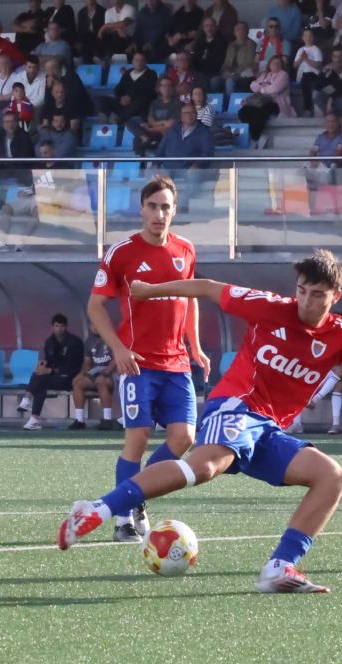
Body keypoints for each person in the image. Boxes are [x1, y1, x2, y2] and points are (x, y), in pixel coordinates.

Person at [58, 249, 342, 593]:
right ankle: (97, 510)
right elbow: (208, 287)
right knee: (205, 466)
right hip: (234, 406)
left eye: (317, 294)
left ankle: (280, 566)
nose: (306, 300)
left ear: (334, 296)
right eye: (301, 290)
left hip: (266, 430)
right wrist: (150, 290)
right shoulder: (269, 307)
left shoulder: (341, 336)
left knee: (331, 477)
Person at [87, 175, 209, 543]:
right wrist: (119, 350)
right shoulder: (120, 252)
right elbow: (95, 306)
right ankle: (124, 519)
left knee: (184, 437)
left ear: (174, 211)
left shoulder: (185, 249)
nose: (160, 213)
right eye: (153, 206)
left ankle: (136, 495)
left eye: (166, 207)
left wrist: (195, 344)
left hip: (177, 363)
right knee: (137, 438)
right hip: (137, 363)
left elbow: (190, 297)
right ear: (142, 209)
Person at [17, 314, 85, 429]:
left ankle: (27, 401)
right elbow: (50, 359)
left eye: (62, 326)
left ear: (66, 327)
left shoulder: (74, 342)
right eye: (56, 326)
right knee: (39, 377)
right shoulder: (50, 341)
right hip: (56, 376)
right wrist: (43, 363)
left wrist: (50, 370)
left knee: (40, 379)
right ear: (52, 327)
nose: (59, 329)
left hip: (70, 378)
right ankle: (34, 418)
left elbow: (71, 367)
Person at [239, 55, 293, 149]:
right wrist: (262, 84)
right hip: (260, 101)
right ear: (269, 65)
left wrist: (262, 89)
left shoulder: (283, 74)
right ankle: (259, 137)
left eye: (278, 63)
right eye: (273, 63)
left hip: (275, 103)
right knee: (243, 112)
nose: (276, 65)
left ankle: (255, 139)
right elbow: (253, 86)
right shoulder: (265, 75)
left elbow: (275, 89)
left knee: (258, 113)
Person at [70, 330, 118, 430]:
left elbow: (116, 360)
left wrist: (105, 373)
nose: (94, 327)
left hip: (111, 375)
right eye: (92, 325)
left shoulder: (111, 338)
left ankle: (107, 420)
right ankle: (80, 420)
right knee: (77, 382)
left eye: (96, 324)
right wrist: (81, 374)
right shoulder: (89, 341)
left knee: (101, 381)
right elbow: (87, 362)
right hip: (95, 374)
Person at [311, 46, 342, 118]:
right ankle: (330, 117)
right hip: (337, 103)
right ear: (332, 58)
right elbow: (317, 87)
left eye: (340, 56)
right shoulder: (329, 71)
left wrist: (331, 98)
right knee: (316, 94)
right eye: (335, 57)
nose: (337, 59)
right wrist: (323, 72)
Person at [293, 28, 324, 116]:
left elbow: (318, 65)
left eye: (310, 36)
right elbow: (295, 66)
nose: (308, 38)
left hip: (313, 74)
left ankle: (308, 109)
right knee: (304, 79)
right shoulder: (300, 50)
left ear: (313, 37)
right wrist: (301, 58)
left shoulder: (316, 49)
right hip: (302, 74)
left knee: (307, 80)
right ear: (303, 38)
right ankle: (307, 109)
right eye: (306, 36)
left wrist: (306, 59)